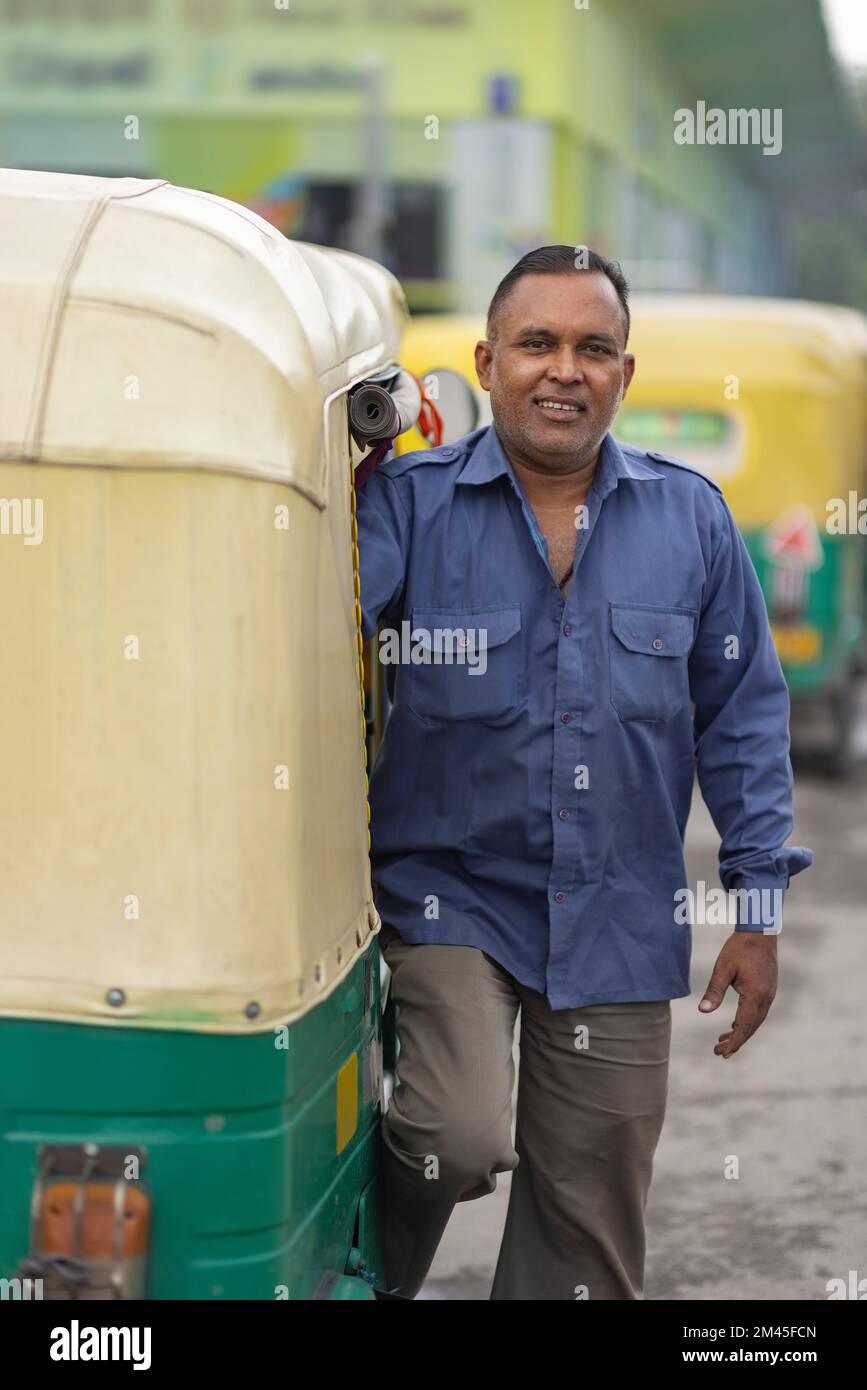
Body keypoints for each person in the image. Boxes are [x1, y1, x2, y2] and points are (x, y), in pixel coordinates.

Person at [355, 244, 812, 1301]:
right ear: (486, 361)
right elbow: (311, 653)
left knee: (589, 1229)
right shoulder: (409, 507)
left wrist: (757, 909)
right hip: (445, 900)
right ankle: (364, 1282)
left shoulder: (690, 519)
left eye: (593, 348)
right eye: (538, 344)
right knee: (452, 1133)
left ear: (624, 373)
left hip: (616, 910)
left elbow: (744, 716)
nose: (565, 369)